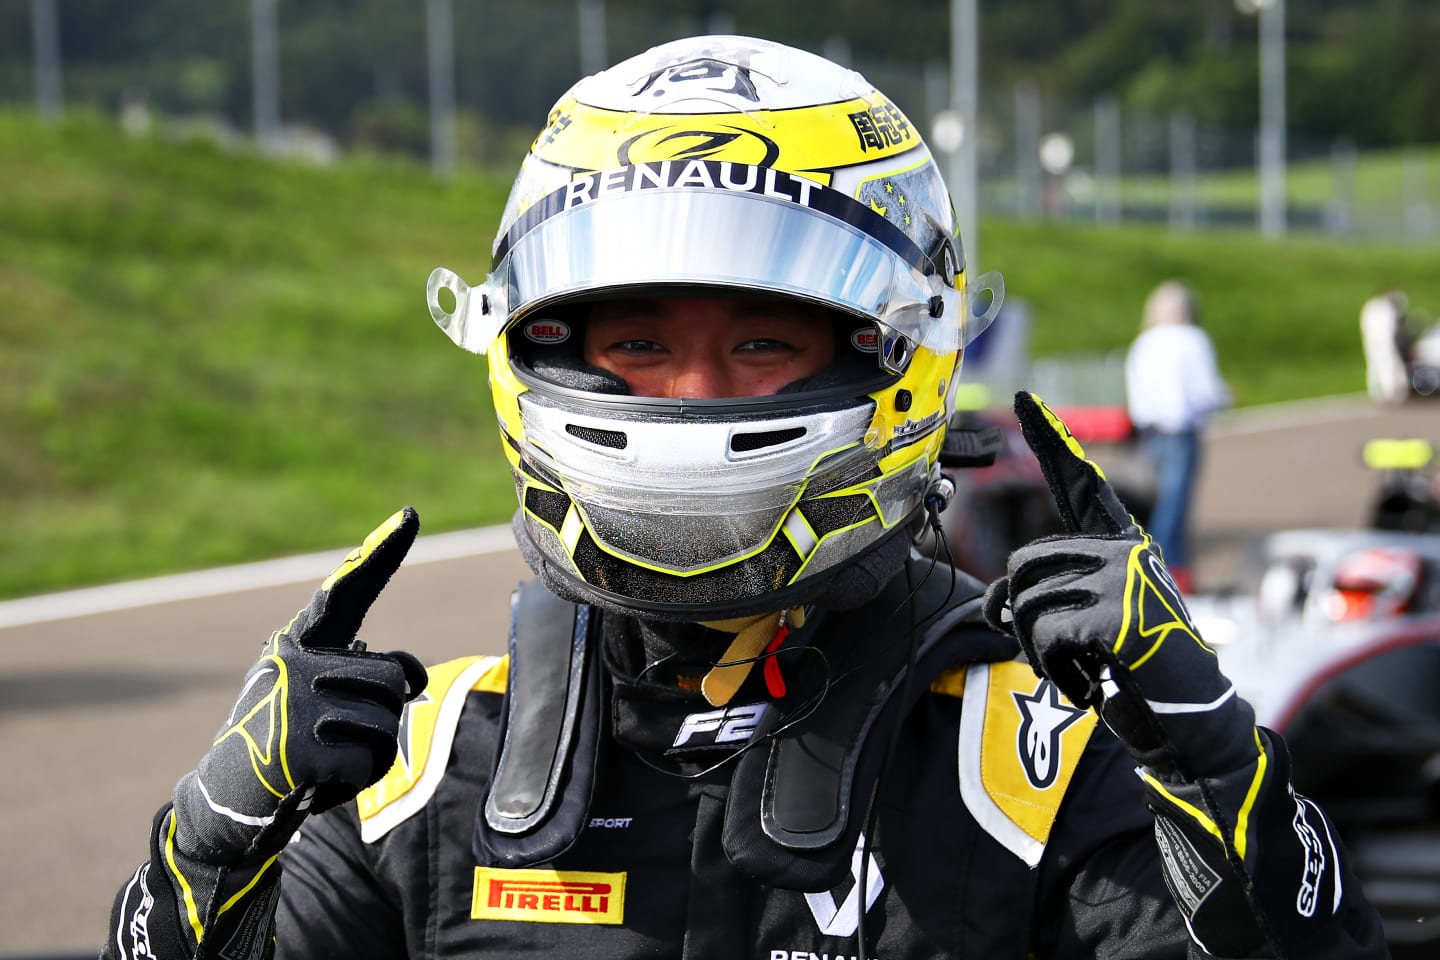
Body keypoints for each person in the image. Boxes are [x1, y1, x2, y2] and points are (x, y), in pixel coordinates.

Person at [105, 36, 1386, 959]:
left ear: (900, 356)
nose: (693, 397)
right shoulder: (425, 767)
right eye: (636, 347)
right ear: (526, 350)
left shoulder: (1036, 765)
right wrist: (210, 853)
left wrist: (1224, 776)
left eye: (764, 346)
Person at [1124, 280, 1231, 593]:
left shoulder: (1143, 343)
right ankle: (1167, 573)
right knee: (1174, 509)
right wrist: (1224, 399)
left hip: (1149, 433)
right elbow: (1205, 391)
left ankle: (1170, 570)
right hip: (1180, 433)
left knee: (1154, 505)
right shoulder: (1193, 339)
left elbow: (1137, 395)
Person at [1359, 288, 1412, 405]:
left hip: (1371, 341)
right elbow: (1391, 327)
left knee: (1374, 365)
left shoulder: (1371, 306)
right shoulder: (1386, 308)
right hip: (1385, 342)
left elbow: (1365, 325)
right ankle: (1390, 393)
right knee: (1387, 365)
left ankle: (1376, 392)